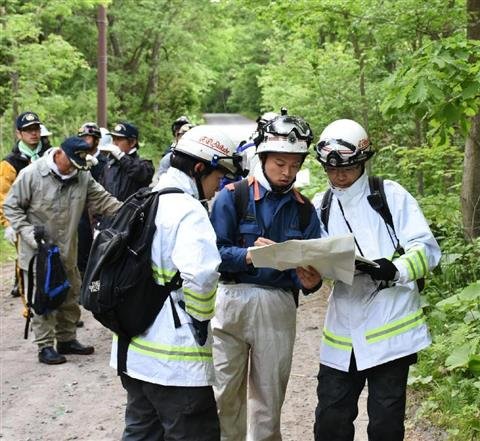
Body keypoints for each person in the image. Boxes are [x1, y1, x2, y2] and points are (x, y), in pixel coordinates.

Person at [311, 119, 441, 441]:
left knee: (385, 424)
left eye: (347, 168)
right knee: (330, 420)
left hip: (390, 331)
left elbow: (427, 249)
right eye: (331, 169)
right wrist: (312, 272)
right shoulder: (321, 204)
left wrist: (395, 269)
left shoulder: (390, 195)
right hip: (342, 332)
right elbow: (315, 256)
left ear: (363, 162)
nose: (339, 176)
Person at [112, 126, 243, 441]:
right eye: (217, 177)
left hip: (133, 353)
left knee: (141, 434)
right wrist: (200, 322)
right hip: (175, 363)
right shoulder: (189, 210)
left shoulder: (145, 198)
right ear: (199, 169)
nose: (218, 186)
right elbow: (201, 276)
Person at [210, 113, 323, 441]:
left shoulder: (305, 210)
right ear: (262, 157)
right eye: (280, 164)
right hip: (230, 301)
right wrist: (247, 255)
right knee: (222, 397)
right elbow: (211, 256)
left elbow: (312, 279)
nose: (288, 173)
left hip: (277, 306)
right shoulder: (232, 196)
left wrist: (311, 279)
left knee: (268, 402)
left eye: (295, 165)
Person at [3, 137, 122, 365]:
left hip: (68, 249)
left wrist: (131, 210)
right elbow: (11, 206)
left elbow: (104, 201)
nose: (75, 170)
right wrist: (28, 234)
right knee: (44, 297)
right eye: (72, 164)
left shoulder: (82, 176)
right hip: (39, 253)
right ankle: (45, 346)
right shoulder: (32, 175)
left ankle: (67, 339)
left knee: (70, 293)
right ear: (59, 154)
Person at [1, 112, 51, 298]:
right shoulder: (10, 163)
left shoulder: (50, 155)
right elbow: (3, 197)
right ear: (18, 133)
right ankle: (30, 307)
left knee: (55, 262)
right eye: (28, 130)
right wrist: (9, 224)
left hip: (51, 218)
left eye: (36, 129)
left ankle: (57, 307)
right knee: (27, 265)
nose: (33, 133)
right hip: (23, 221)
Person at [76, 122, 108, 275]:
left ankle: (95, 290)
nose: (84, 141)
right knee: (80, 253)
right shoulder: (76, 160)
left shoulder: (105, 162)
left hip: (99, 213)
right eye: (82, 137)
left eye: (87, 137)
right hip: (80, 214)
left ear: (96, 140)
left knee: (97, 255)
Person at [99, 121, 154, 202]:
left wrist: (121, 156)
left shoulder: (144, 164)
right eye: (113, 139)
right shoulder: (109, 164)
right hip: (108, 212)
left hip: (131, 213)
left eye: (119, 139)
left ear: (132, 142)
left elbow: (140, 173)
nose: (115, 143)